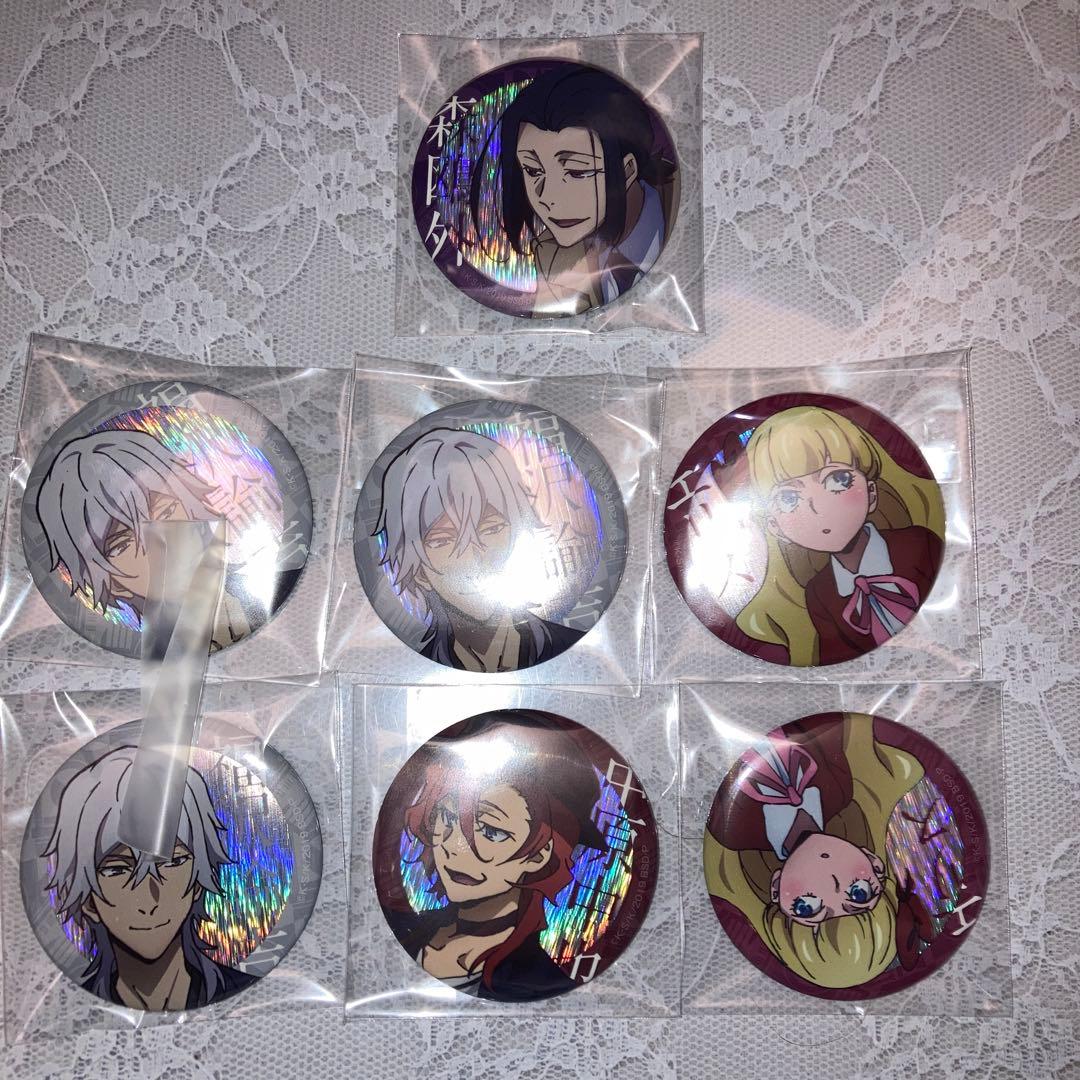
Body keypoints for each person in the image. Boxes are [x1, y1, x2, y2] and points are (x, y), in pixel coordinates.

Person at [381, 712, 607, 1001]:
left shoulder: (538, 978)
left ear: (539, 855)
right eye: (446, 816)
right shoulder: (406, 932)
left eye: (491, 831)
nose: (454, 846)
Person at [704, 713, 937, 991]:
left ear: (775, 889)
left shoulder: (735, 830)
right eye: (859, 893)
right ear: (876, 865)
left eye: (806, 907)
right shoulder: (844, 779)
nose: (833, 884)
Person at [43, 744, 256, 1011]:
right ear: (87, 901)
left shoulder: (245, 993)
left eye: (173, 863)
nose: (149, 900)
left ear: (198, 883)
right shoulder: (72, 1009)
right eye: (117, 870)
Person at [734, 406, 945, 666]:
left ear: (872, 493)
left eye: (838, 479)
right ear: (775, 527)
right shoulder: (819, 592)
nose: (817, 507)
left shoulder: (919, 543)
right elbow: (842, 660)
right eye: (788, 498)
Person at [470, 65, 677, 316]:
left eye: (577, 172)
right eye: (533, 170)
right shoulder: (551, 254)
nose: (548, 198)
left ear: (627, 171)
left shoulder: (684, 228)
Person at [375, 427, 584, 671]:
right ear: (419, 571)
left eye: (492, 529)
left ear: (518, 533)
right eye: (442, 541)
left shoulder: (577, 652)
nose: (474, 557)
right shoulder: (403, 666)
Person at [34, 428, 253, 651]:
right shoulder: (125, 657)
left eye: (166, 512)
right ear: (112, 584)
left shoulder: (260, 596)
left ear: (194, 511)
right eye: (122, 545)